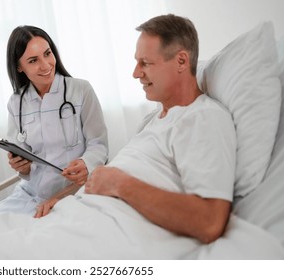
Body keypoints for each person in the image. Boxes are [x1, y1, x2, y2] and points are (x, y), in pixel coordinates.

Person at [84, 14, 237, 244]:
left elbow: (209, 221)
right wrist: (61, 198)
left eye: (145, 63)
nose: (136, 73)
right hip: (78, 218)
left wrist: (119, 183)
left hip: (99, 237)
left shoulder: (202, 117)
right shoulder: (152, 120)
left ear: (182, 62)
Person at [0, 25, 108, 218]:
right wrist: (22, 166)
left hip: (76, 191)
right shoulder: (16, 102)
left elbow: (99, 144)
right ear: (19, 67)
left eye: (47, 53)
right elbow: (22, 155)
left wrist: (86, 163)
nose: (45, 65)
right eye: (33, 60)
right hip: (32, 193)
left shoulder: (81, 90)